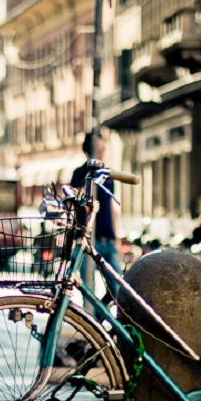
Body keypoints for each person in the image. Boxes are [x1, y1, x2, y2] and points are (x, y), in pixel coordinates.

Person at [70, 130, 121, 304]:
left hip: (108, 240)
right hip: (87, 240)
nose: (101, 152)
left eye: (102, 148)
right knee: (88, 288)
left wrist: (117, 236)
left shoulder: (106, 174)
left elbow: (112, 207)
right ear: (89, 151)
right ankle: (91, 324)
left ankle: (99, 320)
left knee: (118, 288)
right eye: (97, 148)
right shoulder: (80, 173)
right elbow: (77, 200)